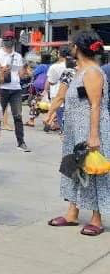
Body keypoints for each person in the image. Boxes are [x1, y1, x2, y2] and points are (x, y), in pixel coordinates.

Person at [48, 31, 110, 236]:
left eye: (71, 45)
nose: (70, 48)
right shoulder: (78, 71)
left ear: (77, 47)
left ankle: (96, 219)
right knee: (73, 169)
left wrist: (93, 136)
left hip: (90, 128)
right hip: (75, 129)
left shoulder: (93, 72)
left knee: (93, 172)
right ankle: (72, 213)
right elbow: (69, 99)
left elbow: (95, 106)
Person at [0, 30, 31, 152]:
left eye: (10, 39)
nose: (8, 41)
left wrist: (25, 70)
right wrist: (2, 71)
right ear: (3, 40)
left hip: (16, 89)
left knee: (18, 116)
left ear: (13, 40)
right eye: (6, 39)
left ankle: (21, 142)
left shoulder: (18, 56)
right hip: (2, 89)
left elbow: (20, 75)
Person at [45, 56, 76, 131]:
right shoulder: (92, 71)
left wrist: (48, 115)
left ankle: (51, 123)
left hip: (64, 101)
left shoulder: (69, 73)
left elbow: (60, 96)